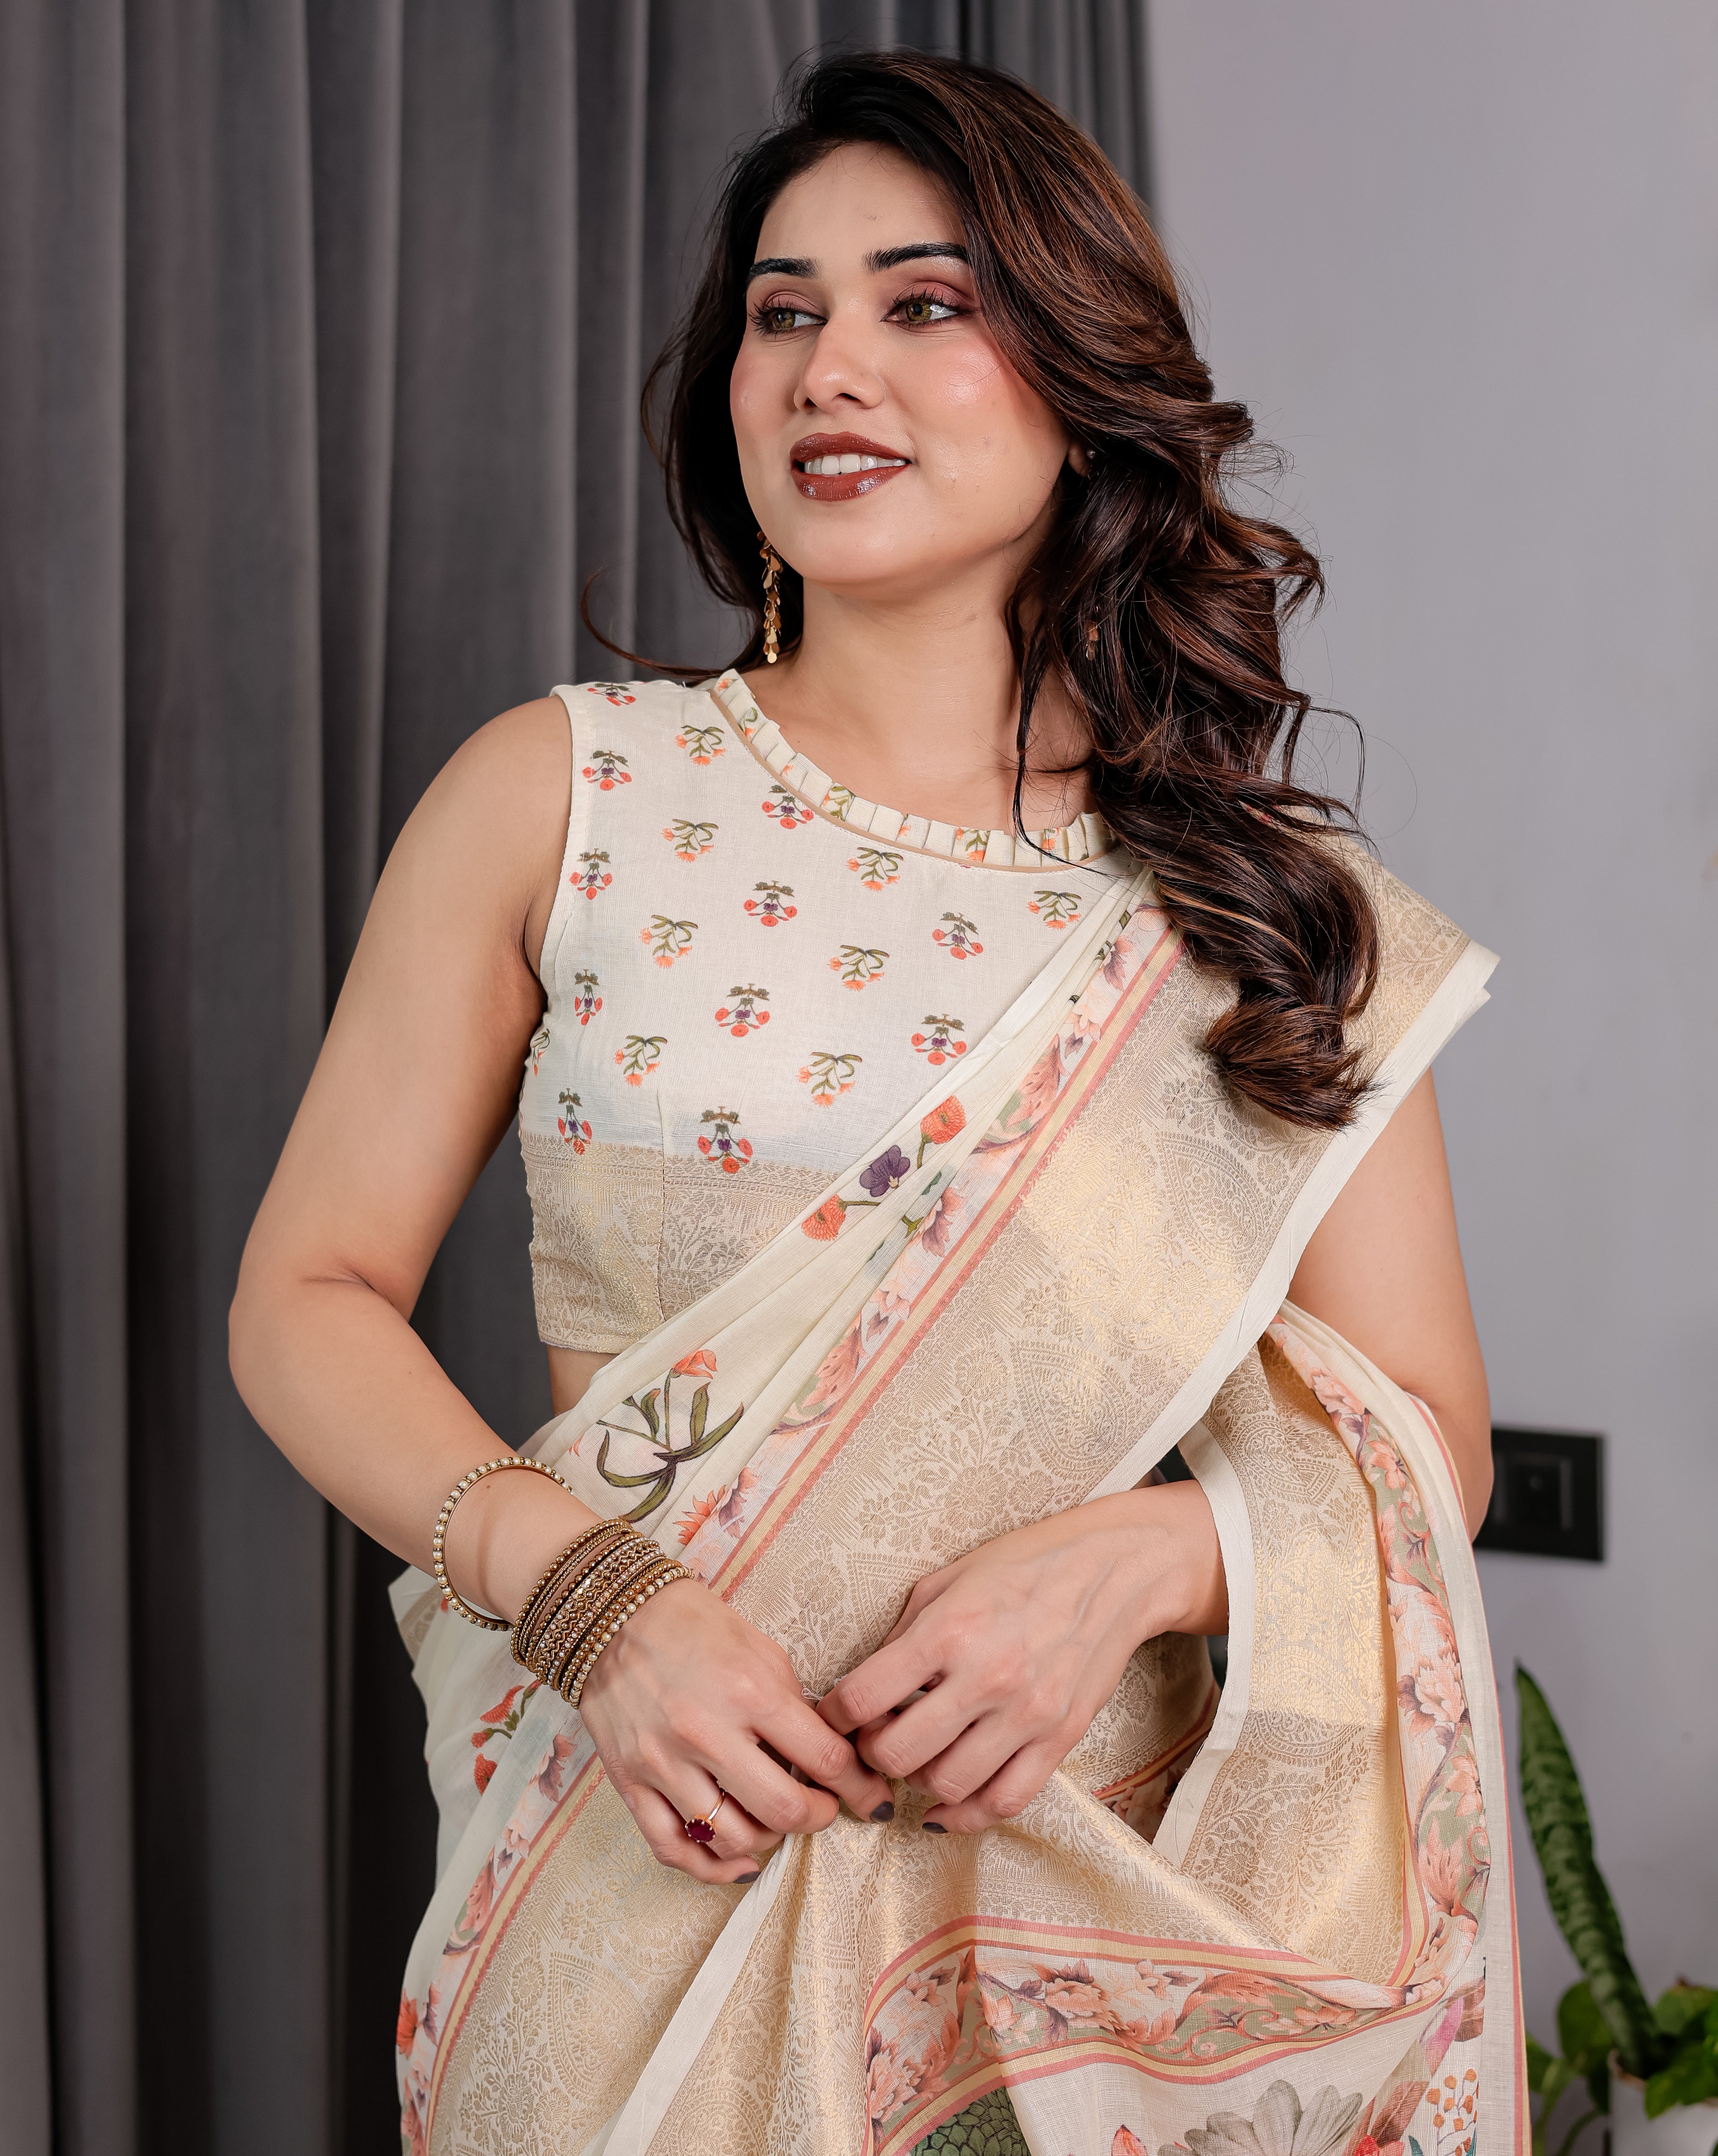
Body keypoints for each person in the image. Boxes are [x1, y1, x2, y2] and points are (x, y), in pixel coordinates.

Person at [230, 50, 1521, 2156]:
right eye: (783, 309)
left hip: (1070, 1942)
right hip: (630, 1870)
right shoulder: (571, 794)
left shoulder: (1277, 914)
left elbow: (1426, 1440)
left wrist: (1148, 1557)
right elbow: (305, 1297)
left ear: (1084, 382)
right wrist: (593, 1601)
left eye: (926, 302)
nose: (831, 366)